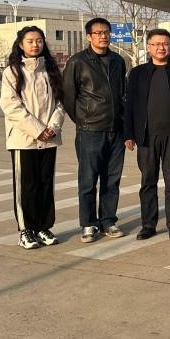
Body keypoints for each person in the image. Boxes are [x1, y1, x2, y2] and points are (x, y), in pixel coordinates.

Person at [0, 26, 65, 250]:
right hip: (23, 139)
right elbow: (11, 106)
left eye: (39, 40)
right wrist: (37, 130)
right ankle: (26, 230)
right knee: (26, 186)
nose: (35, 44)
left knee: (46, 184)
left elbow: (60, 103)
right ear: (21, 45)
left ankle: (44, 227)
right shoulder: (12, 72)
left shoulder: (51, 70)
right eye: (30, 41)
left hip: (49, 139)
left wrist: (53, 127)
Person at [63, 17, 127, 242]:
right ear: (89, 36)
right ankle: (89, 223)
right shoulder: (78, 62)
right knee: (88, 181)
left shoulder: (118, 60)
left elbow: (123, 93)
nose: (103, 36)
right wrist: (83, 120)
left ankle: (108, 221)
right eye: (98, 33)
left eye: (107, 32)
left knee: (112, 179)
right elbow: (68, 97)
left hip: (116, 130)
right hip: (90, 130)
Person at [123, 28, 170, 240]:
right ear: (149, 47)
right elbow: (129, 105)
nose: (161, 48)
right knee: (148, 183)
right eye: (157, 44)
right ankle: (148, 225)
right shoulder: (137, 73)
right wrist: (128, 134)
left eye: (166, 44)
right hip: (146, 138)